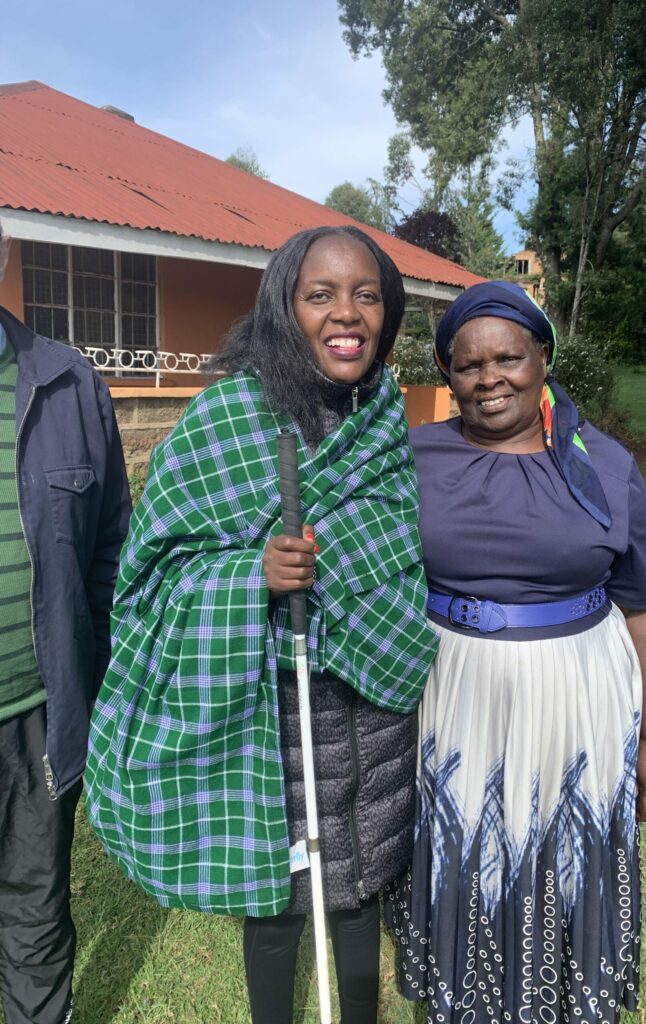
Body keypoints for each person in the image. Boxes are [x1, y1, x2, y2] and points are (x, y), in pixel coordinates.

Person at [85, 225, 439, 1024]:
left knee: (359, 892)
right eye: (321, 295)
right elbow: (152, 577)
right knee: (277, 901)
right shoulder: (228, 417)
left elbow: (396, 536)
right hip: (269, 713)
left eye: (367, 294)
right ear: (286, 306)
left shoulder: (383, 411)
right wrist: (254, 574)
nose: (346, 314)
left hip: (374, 707)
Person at [386, 281, 646, 1024]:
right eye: (468, 365)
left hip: (575, 697)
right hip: (454, 694)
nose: (490, 379)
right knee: (470, 853)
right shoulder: (408, 457)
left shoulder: (604, 466)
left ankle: (561, 999)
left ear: (543, 357)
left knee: (561, 854)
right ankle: (465, 999)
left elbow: (645, 605)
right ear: (447, 373)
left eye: (510, 358)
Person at [0, 222, 131, 1024]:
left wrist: (107, 690)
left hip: (37, 716)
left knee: (35, 918)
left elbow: (110, 551)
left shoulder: (68, 384)